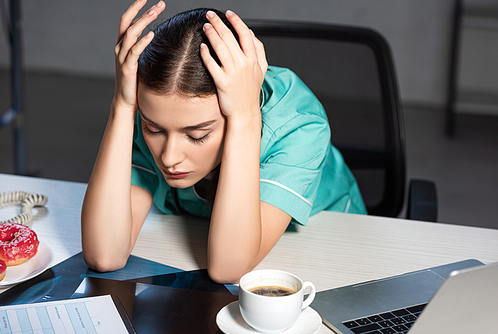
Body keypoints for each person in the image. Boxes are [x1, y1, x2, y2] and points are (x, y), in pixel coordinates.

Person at [81, 0, 366, 283]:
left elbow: (228, 269)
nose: (168, 157)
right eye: (153, 130)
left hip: (332, 252)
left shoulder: (299, 124)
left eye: (197, 135)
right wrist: (122, 105)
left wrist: (245, 117)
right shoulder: (144, 109)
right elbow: (105, 256)